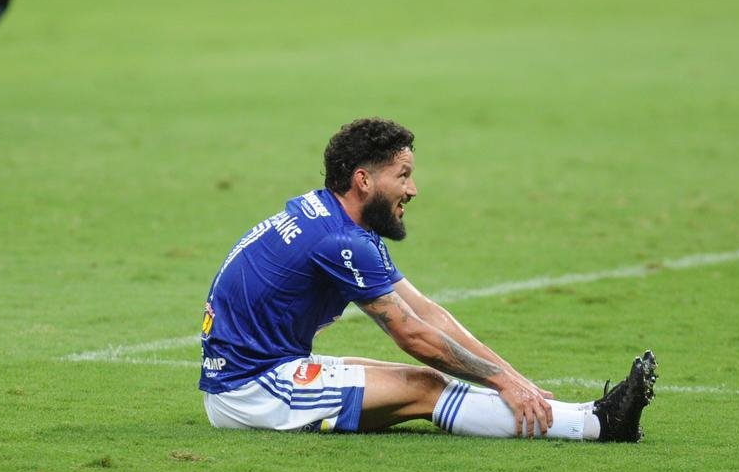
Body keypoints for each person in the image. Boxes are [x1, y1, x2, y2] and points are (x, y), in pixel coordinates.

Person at [199, 117, 658, 441]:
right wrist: (502, 382)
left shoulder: (336, 217)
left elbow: (426, 312)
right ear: (363, 180)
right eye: (403, 176)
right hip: (251, 390)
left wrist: (515, 378)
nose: (413, 190)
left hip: (264, 373)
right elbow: (412, 333)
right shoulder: (342, 240)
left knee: (420, 383)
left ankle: (585, 415)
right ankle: (597, 426)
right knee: (424, 386)